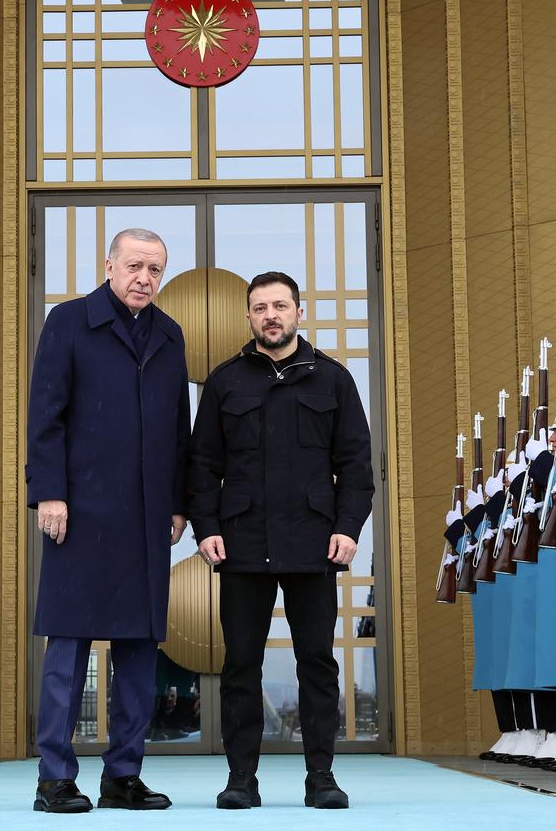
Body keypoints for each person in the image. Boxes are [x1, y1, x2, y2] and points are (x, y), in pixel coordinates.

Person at [187, 271, 374, 810]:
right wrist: (208, 528)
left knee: (316, 661)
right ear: (248, 317)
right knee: (240, 663)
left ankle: (321, 777)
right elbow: (203, 465)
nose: (271, 315)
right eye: (261, 307)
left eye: (281, 306)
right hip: (242, 543)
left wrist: (347, 527)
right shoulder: (225, 381)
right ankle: (241, 779)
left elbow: (355, 465)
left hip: (314, 543)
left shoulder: (333, 380)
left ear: (298, 312)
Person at [26, 228, 190, 813]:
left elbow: (179, 431)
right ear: (109, 265)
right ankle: (54, 778)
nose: (144, 278)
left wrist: (178, 503)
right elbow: (45, 415)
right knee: (68, 646)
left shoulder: (170, 336)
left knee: (140, 649)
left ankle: (123, 774)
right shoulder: (68, 322)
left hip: (147, 516)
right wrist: (49, 493)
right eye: (135, 266)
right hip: (79, 510)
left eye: (155, 269)